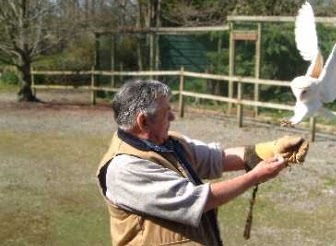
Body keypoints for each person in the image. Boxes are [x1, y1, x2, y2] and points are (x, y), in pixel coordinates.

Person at [96, 79, 309, 246]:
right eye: (165, 112)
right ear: (143, 121)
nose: (172, 116)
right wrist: (255, 176)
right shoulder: (125, 168)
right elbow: (196, 200)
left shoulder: (170, 143)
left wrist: (272, 148)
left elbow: (218, 158)